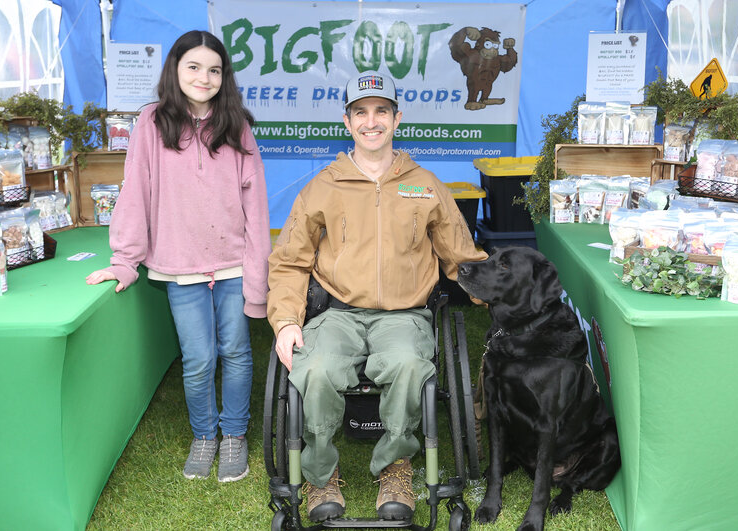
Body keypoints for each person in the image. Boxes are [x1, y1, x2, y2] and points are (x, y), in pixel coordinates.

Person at [267, 71, 487, 522]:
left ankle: (395, 468)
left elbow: (462, 257)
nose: (372, 122)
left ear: (397, 118)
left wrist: (502, 295)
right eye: (361, 113)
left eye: (381, 112)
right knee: (317, 367)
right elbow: (290, 260)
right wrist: (287, 321)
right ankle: (320, 474)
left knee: (409, 365)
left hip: (404, 316)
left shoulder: (425, 184)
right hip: (338, 314)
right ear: (347, 122)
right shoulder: (323, 185)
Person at [86, 30, 270, 483]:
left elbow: (256, 201)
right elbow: (135, 193)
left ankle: (234, 436)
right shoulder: (151, 122)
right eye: (194, 67)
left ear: (224, 76)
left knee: (237, 351)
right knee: (199, 357)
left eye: (214, 69)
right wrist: (125, 260)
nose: (204, 77)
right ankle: (204, 435)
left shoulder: (237, 123)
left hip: (232, 261)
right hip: (178, 264)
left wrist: (258, 274)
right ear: (175, 69)